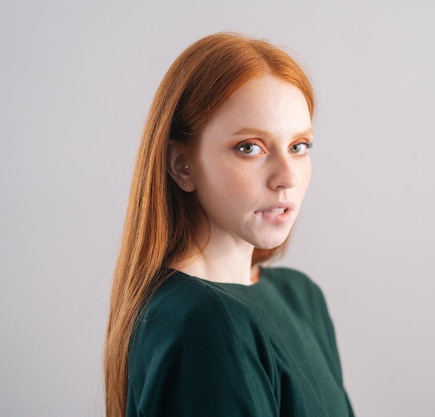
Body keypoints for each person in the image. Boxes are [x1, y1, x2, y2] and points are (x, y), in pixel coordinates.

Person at [103, 32, 355, 417]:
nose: (286, 176)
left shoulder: (302, 298)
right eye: (250, 147)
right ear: (181, 165)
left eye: (298, 147)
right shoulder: (204, 323)